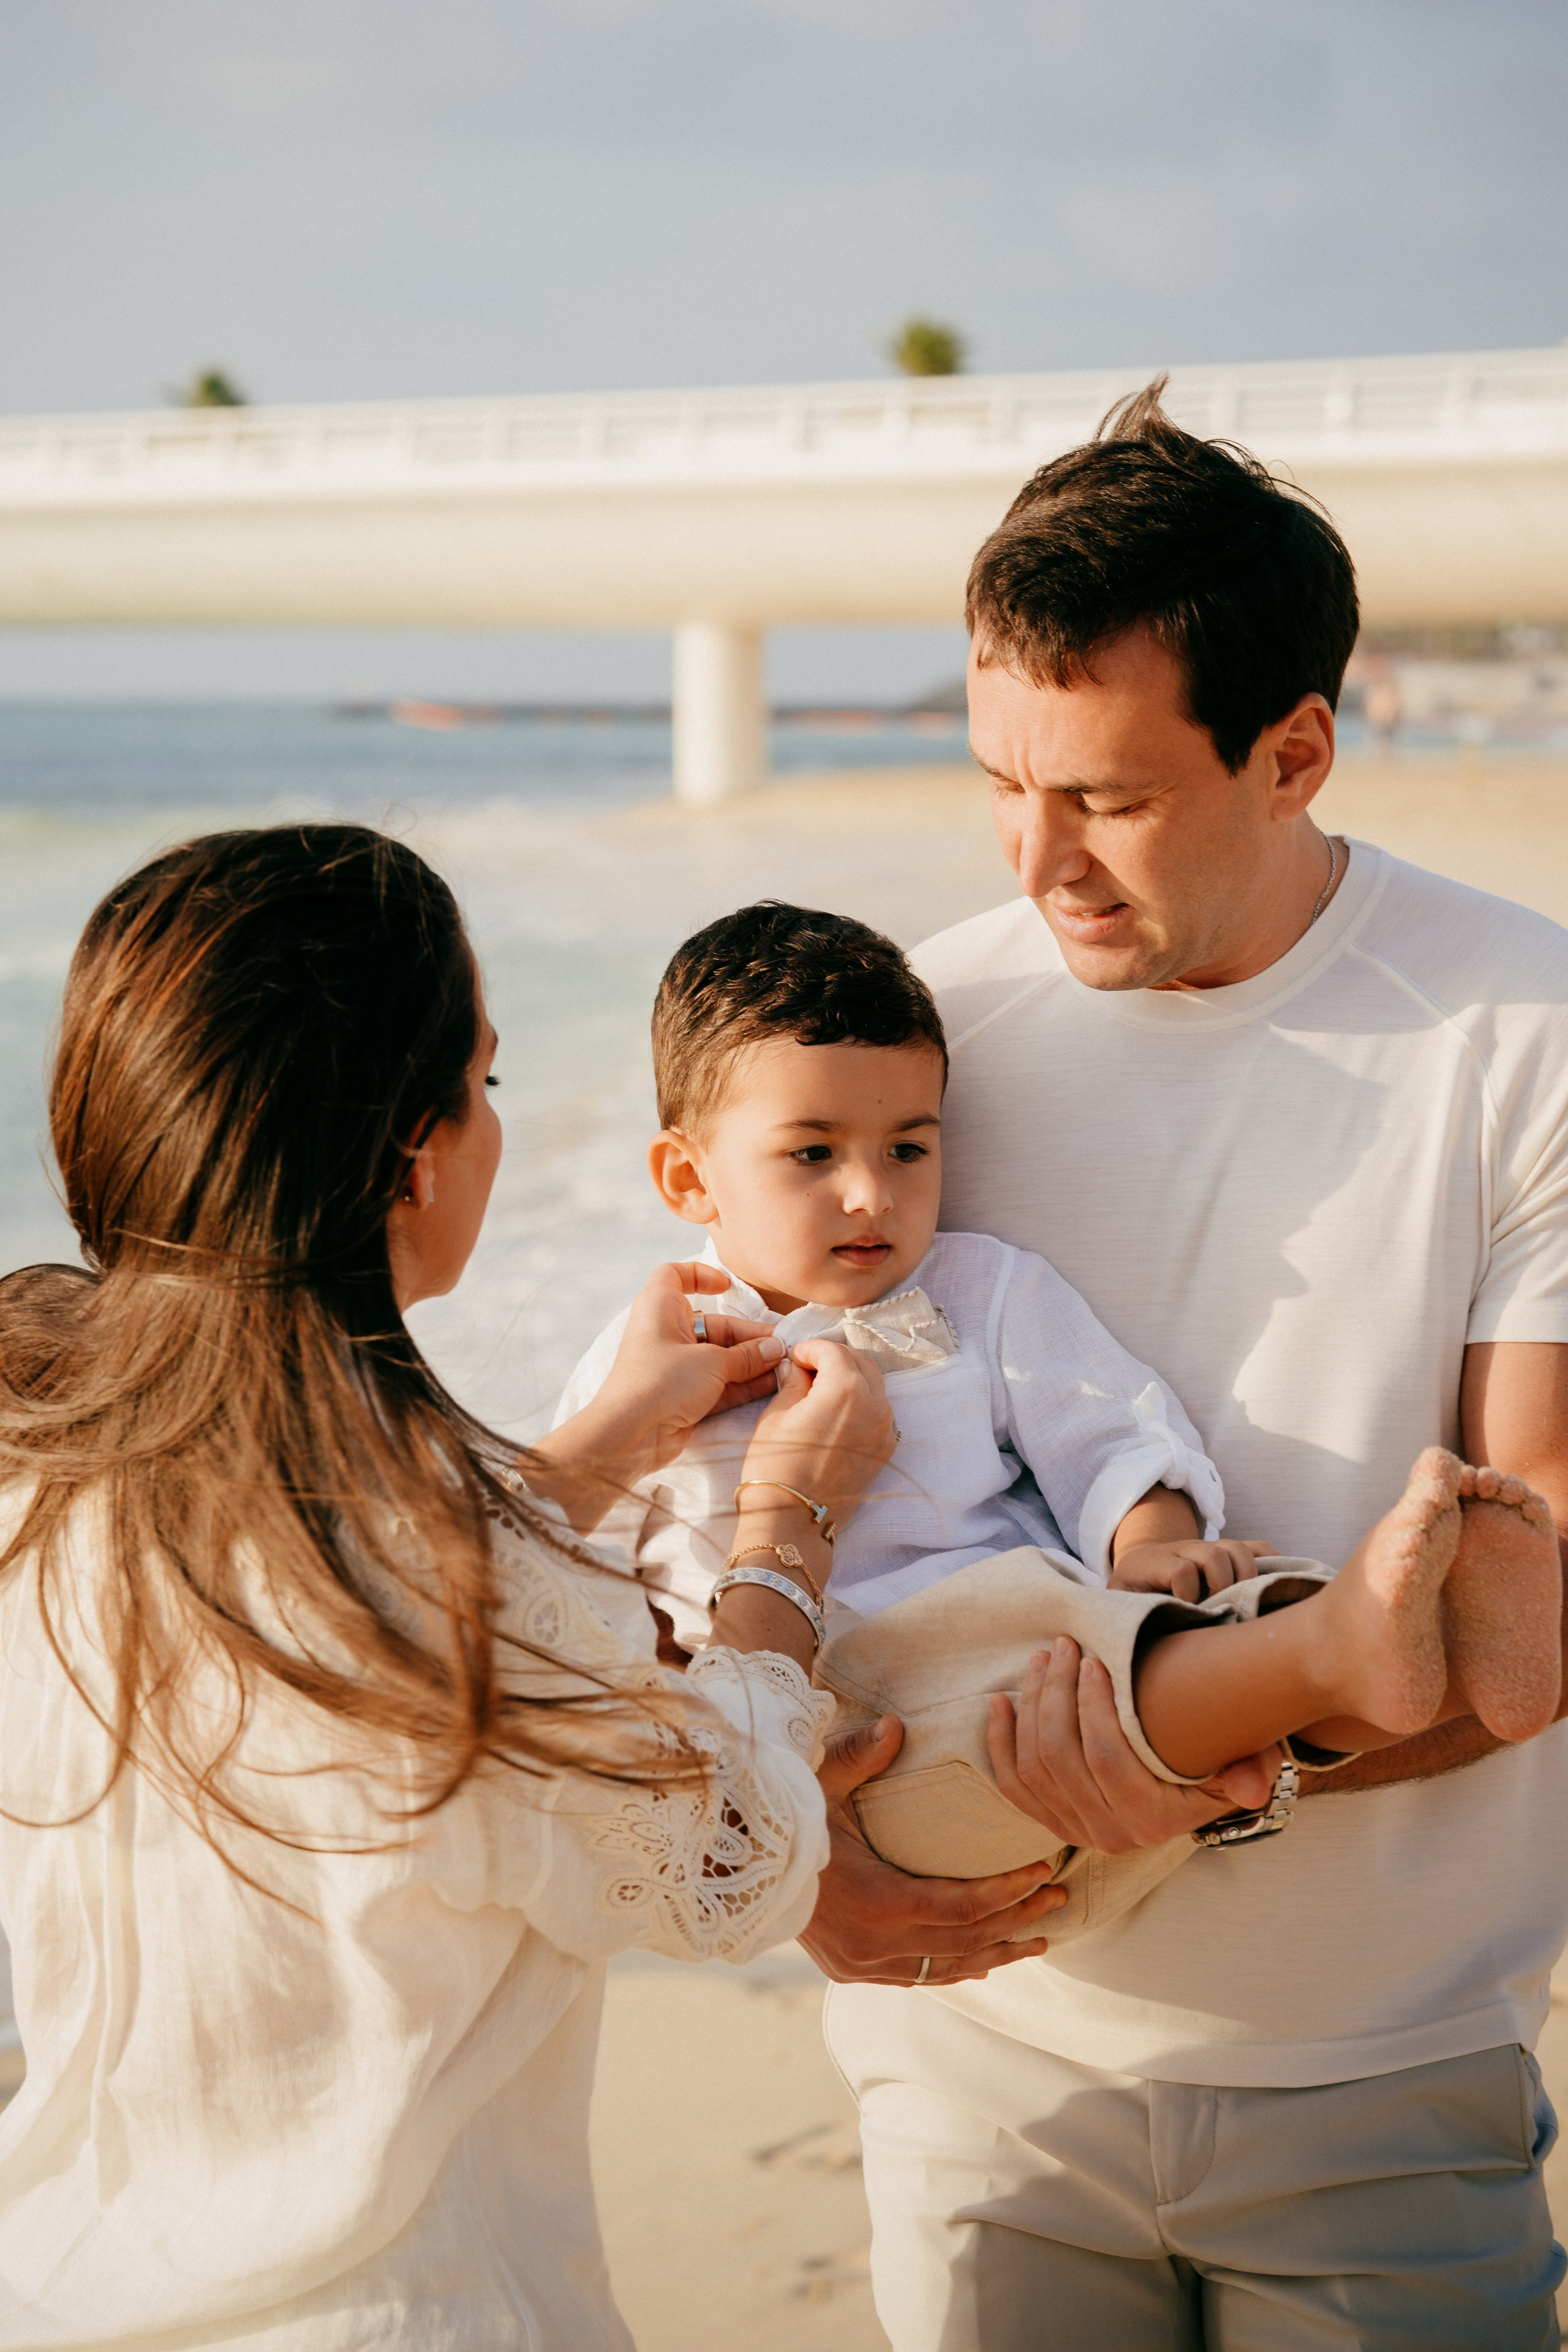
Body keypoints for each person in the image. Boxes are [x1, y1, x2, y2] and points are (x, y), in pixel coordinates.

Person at [803, 383, 1568, 2349]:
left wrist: (1197, 1775)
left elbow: (1542, 1577)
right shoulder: (917, 1042)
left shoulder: (1524, 1032)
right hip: (979, 2053)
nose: (1038, 859)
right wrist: (800, 1867)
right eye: (1002, 781)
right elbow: (746, 1492)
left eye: (1110, 799)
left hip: (1379, 2069)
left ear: (1294, 750)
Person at [0, 823, 932, 2351]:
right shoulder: (455, 1583)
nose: (491, 1121)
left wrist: (607, 1439)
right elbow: (729, 1865)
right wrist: (787, 1527)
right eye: (486, 1082)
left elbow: (357, 1619)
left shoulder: (44, 1468)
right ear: (414, 1153)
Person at [558, 901, 1559, 1932]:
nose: (871, 1194)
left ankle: (1403, 1656)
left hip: (1035, 1673)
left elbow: (1111, 1428)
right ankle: (1350, 1651)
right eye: (813, 1154)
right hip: (852, 1744)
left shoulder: (981, 1289)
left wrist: (1154, 1545)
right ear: (689, 1177)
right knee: (1098, 1693)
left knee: (1168, 1633)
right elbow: (574, 1589)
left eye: (908, 1149)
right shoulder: (651, 1361)